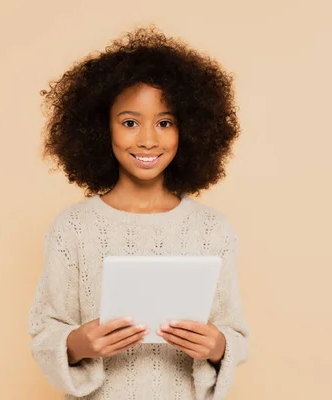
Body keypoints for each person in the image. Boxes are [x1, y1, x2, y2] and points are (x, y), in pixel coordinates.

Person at [27, 25, 250, 400]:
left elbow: (236, 337)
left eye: (165, 123)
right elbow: (45, 331)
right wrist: (80, 343)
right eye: (130, 122)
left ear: (189, 130)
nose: (148, 139)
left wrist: (216, 346)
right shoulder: (73, 228)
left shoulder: (213, 230)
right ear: (101, 128)